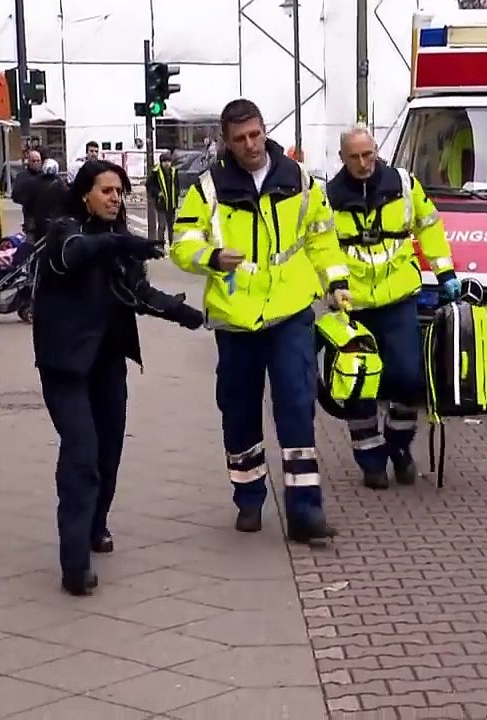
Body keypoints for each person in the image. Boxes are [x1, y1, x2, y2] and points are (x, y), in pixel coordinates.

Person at [170, 98, 350, 543]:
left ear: (265, 130)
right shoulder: (209, 188)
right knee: (239, 411)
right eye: (240, 139)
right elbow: (182, 242)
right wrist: (212, 256)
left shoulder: (299, 181)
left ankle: (305, 512)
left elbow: (322, 239)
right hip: (237, 320)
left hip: (290, 312)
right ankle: (249, 499)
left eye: (255, 134)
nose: (250, 144)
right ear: (226, 142)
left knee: (297, 405)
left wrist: (336, 281)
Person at [33, 159, 205, 596]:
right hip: (66, 366)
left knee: (108, 454)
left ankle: (96, 524)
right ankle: (75, 564)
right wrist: (118, 242)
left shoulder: (118, 240)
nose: (114, 198)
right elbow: (73, 255)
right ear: (85, 194)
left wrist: (184, 313)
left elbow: (137, 292)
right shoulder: (65, 231)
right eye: (106, 190)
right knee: (81, 455)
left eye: (119, 192)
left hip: (108, 363)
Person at [326, 125, 458, 490]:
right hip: (353, 306)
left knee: (407, 378)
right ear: (342, 158)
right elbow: (321, 248)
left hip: (399, 298)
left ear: (376, 150)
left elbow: (429, 226)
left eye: (368, 154)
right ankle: (370, 460)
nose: (363, 162)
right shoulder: (328, 198)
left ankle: (399, 447)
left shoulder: (403, 185)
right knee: (358, 384)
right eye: (354, 157)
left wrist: (445, 272)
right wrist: (331, 288)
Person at [146, 152, 179, 245]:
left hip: (171, 203)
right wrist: (157, 193)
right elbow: (149, 184)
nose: (167, 164)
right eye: (165, 161)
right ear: (161, 162)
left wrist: (177, 196)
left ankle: (172, 244)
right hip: (161, 204)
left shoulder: (174, 172)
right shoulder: (156, 172)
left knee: (172, 226)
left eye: (168, 161)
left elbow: (176, 185)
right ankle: (161, 245)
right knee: (162, 225)